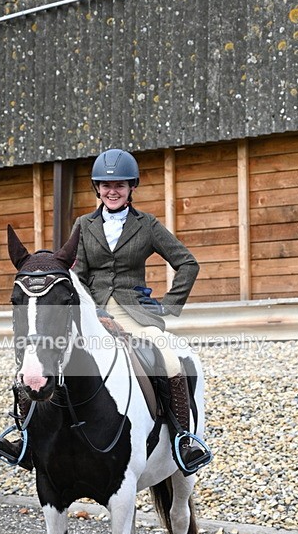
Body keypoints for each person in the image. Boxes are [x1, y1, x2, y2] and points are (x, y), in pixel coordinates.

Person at [71, 148, 210, 474]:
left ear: (131, 186)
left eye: (119, 185)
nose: (112, 191)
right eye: (105, 186)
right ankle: (25, 434)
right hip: (93, 313)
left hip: (135, 315)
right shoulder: (83, 224)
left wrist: (167, 304)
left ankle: (182, 439)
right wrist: (92, 310)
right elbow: (76, 275)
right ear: (97, 189)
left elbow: (187, 263)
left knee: (170, 358)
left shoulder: (147, 225)